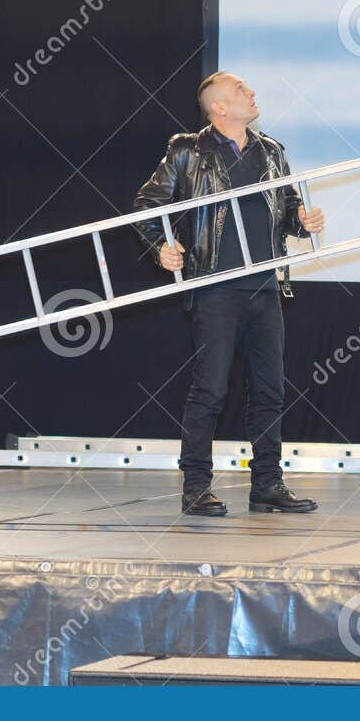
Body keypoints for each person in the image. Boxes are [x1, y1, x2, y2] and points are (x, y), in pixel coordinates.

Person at [132, 72, 326, 517]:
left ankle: (268, 485)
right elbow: (146, 205)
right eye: (242, 90)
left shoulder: (272, 151)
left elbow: (286, 207)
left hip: (265, 287)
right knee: (211, 390)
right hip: (216, 288)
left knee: (270, 390)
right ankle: (196, 487)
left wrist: (302, 221)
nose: (252, 93)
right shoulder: (187, 151)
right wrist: (160, 246)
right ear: (219, 107)